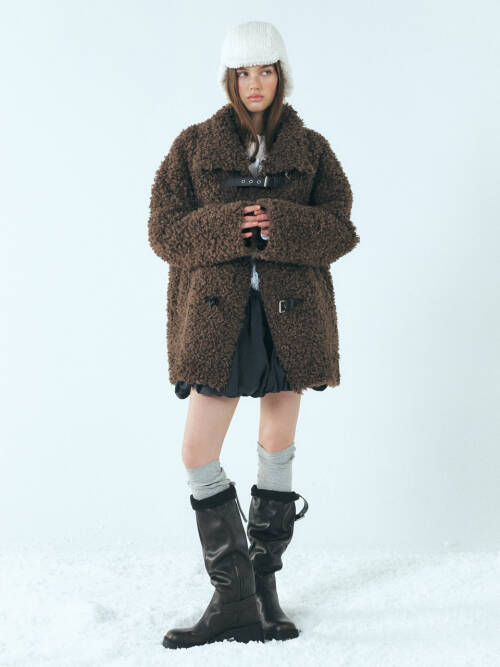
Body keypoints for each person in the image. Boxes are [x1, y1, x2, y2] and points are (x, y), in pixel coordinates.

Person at [147, 20, 360, 650]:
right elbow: (163, 232)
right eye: (244, 73)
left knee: (276, 444)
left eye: (266, 70)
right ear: (230, 79)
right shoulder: (193, 146)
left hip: (290, 318)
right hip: (218, 319)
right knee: (197, 452)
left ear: (280, 75)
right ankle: (233, 595)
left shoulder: (312, 149)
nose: (255, 83)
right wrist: (229, 225)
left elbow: (340, 229)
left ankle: (263, 590)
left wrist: (281, 223)